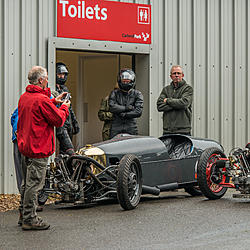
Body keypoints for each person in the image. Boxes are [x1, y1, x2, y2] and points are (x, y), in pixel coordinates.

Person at [17, 66, 70, 230]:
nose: (48, 80)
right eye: (46, 78)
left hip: (26, 147)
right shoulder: (41, 100)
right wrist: (64, 107)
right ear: (41, 80)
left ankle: (23, 214)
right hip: (38, 148)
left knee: (27, 183)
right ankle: (30, 219)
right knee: (35, 185)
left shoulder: (25, 97)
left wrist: (54, 101)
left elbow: (39, 108)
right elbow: (58, 120)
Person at [157, 65, 193, 135]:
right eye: (174, 73)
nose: (176, 75)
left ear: (182, 75)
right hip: (167, 131)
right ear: (171, 76)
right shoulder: (166, 89)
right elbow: (159, 106)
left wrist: (167, 101)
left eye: (178, 73)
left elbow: (184, 103)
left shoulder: (188, 89)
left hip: (183, 131)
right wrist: (177, 104)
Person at [108, 69, 143, 138]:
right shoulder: (114, 93)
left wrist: (124, 114)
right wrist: (126, 108)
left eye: (128, 81)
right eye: (124, 81)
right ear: (120, 81)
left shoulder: (137, 94)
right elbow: (112, 107)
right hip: (116, 125)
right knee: (113, 145)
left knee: (133, 145)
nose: (126, 83)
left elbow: (138, 111)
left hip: (131, 126)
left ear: (132, 81)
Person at [55, 62, 80, 155]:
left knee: (64, 152)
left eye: (64, 74)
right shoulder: (52, 89)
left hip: (67, 121)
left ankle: (65, 169)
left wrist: (74, 122)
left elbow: (70, 107)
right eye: (60, 74)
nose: (62, 76)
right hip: (60, 123)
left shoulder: (65, 89)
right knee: (70, 150)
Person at [11, 108, 23, 192]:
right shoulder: (48, 99)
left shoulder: (21, 104)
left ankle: (21, 192)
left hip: (16, 135)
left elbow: (13, 118)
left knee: (19, 167)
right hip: (26, 136)